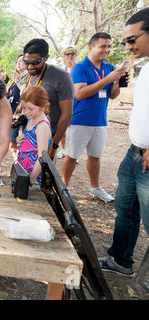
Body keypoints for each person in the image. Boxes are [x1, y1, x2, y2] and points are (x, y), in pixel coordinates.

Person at [99, 8, 149, 277]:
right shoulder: (147, 68)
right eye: (125, 41)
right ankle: (121, 260)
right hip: (134, 152)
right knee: (125, 207)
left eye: (132, 39)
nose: (128, 47)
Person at [61, 33, 125, 203]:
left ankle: (95, 188)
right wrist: (107, 79)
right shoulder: (80, 67)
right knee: (72, 155)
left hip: (100, 120)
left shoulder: (109, 67)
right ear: (91, 47)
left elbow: (112, 95)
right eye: (103, 46)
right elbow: (80, 93)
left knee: (95, 155)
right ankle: (63, 188)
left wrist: (116, 83)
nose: (107, 50)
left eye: (109, 46)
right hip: (80, 120)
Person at [22, 38, 74, 160]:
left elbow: (67, 114)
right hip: (30, 136)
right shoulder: (32, 74)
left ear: (46, 58)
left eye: (35, 62)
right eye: (26, 62)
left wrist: (54, 145)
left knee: (43, 176)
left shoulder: (62, 77)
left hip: (47, 139)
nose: (30, 67)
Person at [16, 86, 52, 184]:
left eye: (31, 109)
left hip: (32, 175)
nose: (26, 112)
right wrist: (19, 140)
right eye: (23, 108)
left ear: (43, 107)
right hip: (23, 169)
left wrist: (30, 180)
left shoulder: (42, 127)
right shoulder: (31, 119)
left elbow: (42, 157)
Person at [57, 47, 78, 159]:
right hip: (63, 103)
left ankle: (73, 154)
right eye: (67, 54)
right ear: (64, 56)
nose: (70, 56)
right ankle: (65, 150)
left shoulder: (79, 69)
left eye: (72, 54)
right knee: (63, 129)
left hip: (76, 104)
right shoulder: (61, 71)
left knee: (74, 131)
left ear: (76, 55)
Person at [8, 54, 28, 158]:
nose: (18, 63)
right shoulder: (17, 77)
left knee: (22, 140)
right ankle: (16, 161)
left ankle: (21, 163)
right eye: (17, 61)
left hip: (24, 114)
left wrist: (17, 80)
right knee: (12, 141)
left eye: (21, 61)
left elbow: (26, 93)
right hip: (13, 114)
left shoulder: (29, 76)